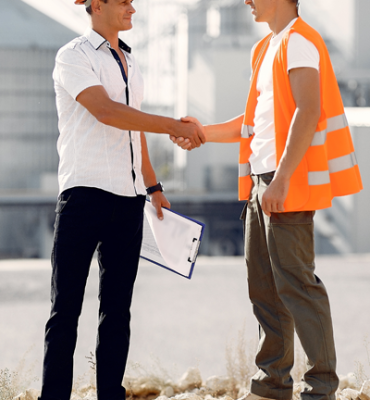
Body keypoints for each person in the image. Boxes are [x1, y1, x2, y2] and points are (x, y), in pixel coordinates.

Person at [171, 1, 363, 400]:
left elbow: (308, 112)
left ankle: (321, 387)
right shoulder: (267, 48)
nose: (246, 1)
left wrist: (281, 180)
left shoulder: (300, 41)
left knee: (297, 285)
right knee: (263, 287)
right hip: (262, 185)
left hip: (283, 184)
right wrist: (199, 132)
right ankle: (273, 384)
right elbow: (250, 125)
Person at [38, 1, 205, 400]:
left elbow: (133, 129)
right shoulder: (73, 56)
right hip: (84, 196)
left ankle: (109, 393)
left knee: (117, 312)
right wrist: (171, 126)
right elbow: (107, 112)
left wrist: (153, 187)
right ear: (97, 5)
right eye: (124, 1)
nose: (133, 7)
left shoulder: (131, 64)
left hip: (129, 201)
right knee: (66, 310)